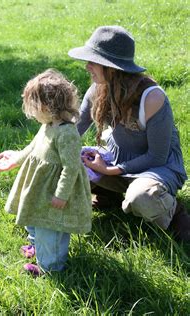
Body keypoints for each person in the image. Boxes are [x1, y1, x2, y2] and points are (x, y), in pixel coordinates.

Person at [68, 25, 190, 242]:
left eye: (93, 61)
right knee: (67, 162)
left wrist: (110, 170)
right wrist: (31, 155)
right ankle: (109, 194)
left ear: (111, 67)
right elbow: (71, 131)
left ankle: (174, 212)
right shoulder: (98, 89)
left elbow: (157, 157)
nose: (87, 66)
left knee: (142, 197)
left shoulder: (151, 98)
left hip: (156, 169)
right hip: (115, 160)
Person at [0, 69, 92, 275]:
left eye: (32, 106)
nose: (31, 112)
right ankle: (37, 247)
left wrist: (61, 195)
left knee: (50, 229)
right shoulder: (49, 124)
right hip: (40, 189)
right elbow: (33, 148)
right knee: (34, 220)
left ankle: (51, 268)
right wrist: (14, 160)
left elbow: (71, 167)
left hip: (53, 192)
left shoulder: (67, 133)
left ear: (46, 106)